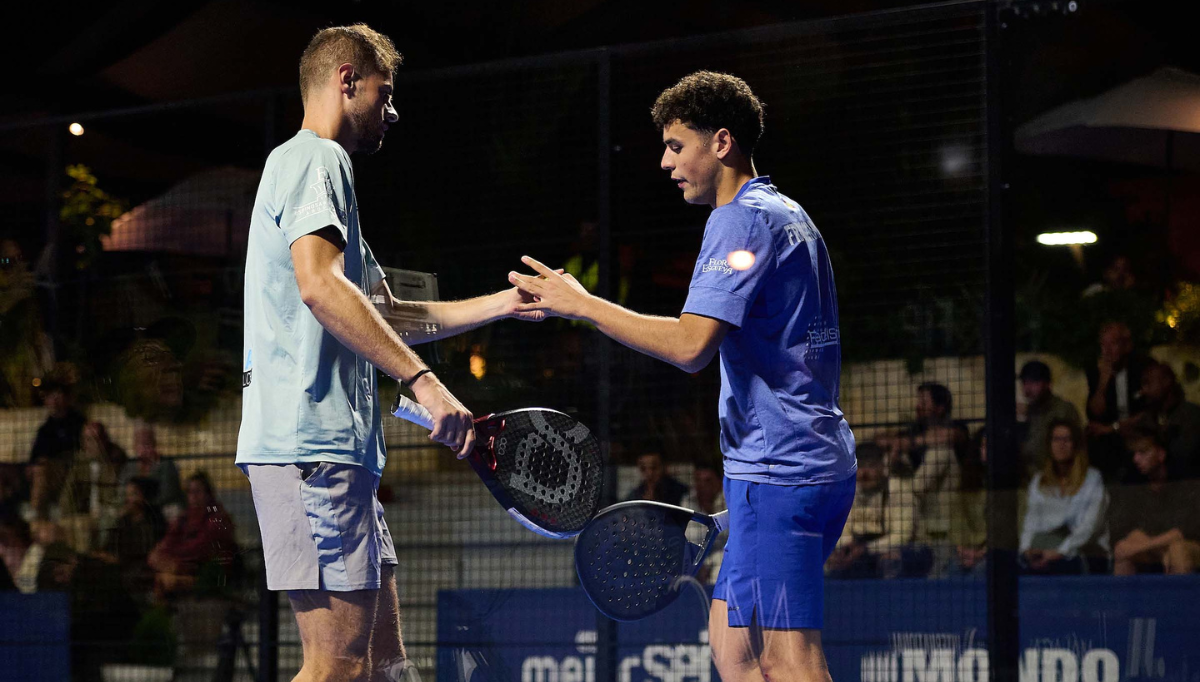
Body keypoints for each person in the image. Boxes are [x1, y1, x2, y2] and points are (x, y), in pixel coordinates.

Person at [509, 71, 857, 682]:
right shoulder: (787, 212)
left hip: (783, 469)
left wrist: (582, 304)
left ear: (720, 143)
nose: (665, 162)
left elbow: (693, 345)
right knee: (735, 653)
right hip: (794, 465)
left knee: (786, 657)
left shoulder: (739, 221)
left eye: (676, 145)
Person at [236, 24, 540, 682]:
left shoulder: (310, 175)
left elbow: (387, 315)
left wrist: (501, 304)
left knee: (386, 667)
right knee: (337, 666)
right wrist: (427, 385)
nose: (392, 111)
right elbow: (320, 287)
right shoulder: (315, 160)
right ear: (347, 80)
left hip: (318, 455)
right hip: (311, 450)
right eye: (386, 92)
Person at [1018, 420, 1109, 575]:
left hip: (1080, 549)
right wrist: (1026, 549)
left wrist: (1060, 551)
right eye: (1056, 439)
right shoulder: (1039, 481)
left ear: (1076, 444)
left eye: (1066, 439)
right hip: (1042, 546)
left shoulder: (1092, 478)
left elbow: (1089, 527)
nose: (1061, 444)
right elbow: (1030, 522)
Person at [826, 443, 927, 580]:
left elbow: (902, 536)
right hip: (858, 551)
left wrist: (866, 549)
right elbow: (842, 531)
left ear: (883, 466)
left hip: (902, 550)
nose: (864, 473)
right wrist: (845, 549)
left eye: (871, 465)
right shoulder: (848, 491)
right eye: (859, 466)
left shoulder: (899, 491)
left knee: (891, 561)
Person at [1110, 428, 1200, 575]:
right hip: (1156, 548)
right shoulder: (1134, 482)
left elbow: (1182, 532)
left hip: (1190, 545)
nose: (1136, 459)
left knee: (1177, 550)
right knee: (1123, 549)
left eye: (1143, 452)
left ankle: (1178, 598)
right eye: (1135, 454)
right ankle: (1123, 599)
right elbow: (1131, 530)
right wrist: (1161, 553)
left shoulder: (1183, 481)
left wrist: (1147, 547)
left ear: (1161, 454)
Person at [148, 471, 237, 599]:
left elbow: (199, 550)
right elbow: (166, 543)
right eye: (189, 492)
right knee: (159, 570)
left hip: (209, 574)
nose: (192, 496)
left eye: (197, 491)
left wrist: (174, 560)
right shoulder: (185, 517)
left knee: (165, 580)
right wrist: (165, 558)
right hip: (184, 567)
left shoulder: (217, 518)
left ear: (208, 494)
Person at [1085, 321, 1151, 481]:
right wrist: (1103, 382)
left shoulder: (1143, 367)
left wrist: (1112, 428)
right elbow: (1095, 412)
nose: (1106, 351)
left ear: (1127, 345)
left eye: (1113, 344)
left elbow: (1149, 412)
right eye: (1103, 345)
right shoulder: (1097, 371)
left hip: (1140, 431)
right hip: (1110, 438)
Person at [26, 379, 86, 519]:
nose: (53, 400)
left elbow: (80, 451)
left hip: (70, 469)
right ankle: (37, 516)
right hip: (47, 474)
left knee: (42, 470)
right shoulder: (46, 428)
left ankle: (36, 513)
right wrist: (34, 465)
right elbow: (34, 457)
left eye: (57, 395)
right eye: (49, 396)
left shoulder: (77, 422)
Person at [1132, 362, 1200, 479]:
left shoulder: (1191, 415)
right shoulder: (1147, 418)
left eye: (1148, 383)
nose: (1143, 391)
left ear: (1166, 381)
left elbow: (1185, 455)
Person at [1017, 360, 1082, 480]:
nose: (1027, 388)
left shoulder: (1063, 410)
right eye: (1024, 382)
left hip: (1056, 480)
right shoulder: (1025, 412)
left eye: (1034, 382)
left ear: (1047, 384)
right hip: (1028, 482)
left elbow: (1076, 450)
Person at [117, 425, 184, 520]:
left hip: (160, 506)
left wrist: (146, 504)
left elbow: (168, 493)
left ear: (154, 444)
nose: (145, 448)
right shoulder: (130, 466)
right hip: (135, 506)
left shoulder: (166, 464)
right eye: (140, 444)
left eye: (148, 443)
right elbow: (122, 488)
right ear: (134, 446)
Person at [681, 462, 727, 584]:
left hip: (723, 559)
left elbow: (731, 539)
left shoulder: (729, 501)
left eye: (708, 481)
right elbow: (689, 538)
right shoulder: (688, 502)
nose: (702, 486)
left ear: (719, 481)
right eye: (698, 481)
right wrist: (700, 564)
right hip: (695, 559)